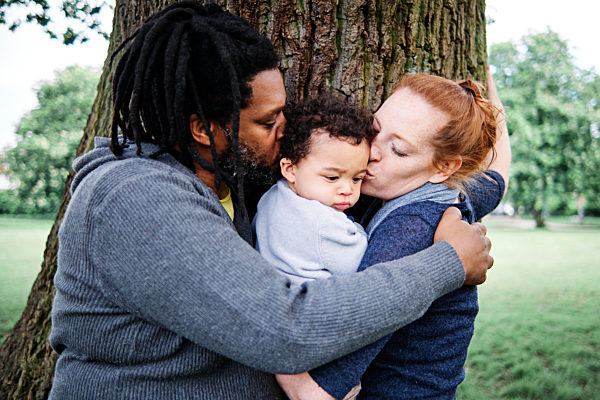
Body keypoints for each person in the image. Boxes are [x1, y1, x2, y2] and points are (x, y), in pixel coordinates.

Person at [48, 3, 493, 399]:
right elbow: (287, 327)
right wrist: (450, 262)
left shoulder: (230, 182)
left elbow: (422, 186)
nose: (287, 129)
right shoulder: (137, 198)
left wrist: (471, 185)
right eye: (267, 120)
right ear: (203, 129)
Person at [277, 72, 511, 400]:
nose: (371, 151)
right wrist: (491, 89)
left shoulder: (413, 224)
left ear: (444, 167)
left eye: (398, 150)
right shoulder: (442, 191)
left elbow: (318, 389)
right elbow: (497, 179)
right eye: (374, 129)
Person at [254, 94, 375, 285]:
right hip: (314, 304)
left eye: (357, 178)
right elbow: (361, 261)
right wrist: (358, 230)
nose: (347, 189)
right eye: (332, 177)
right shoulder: (325, 224)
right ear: (290, 170)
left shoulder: (271, 197)